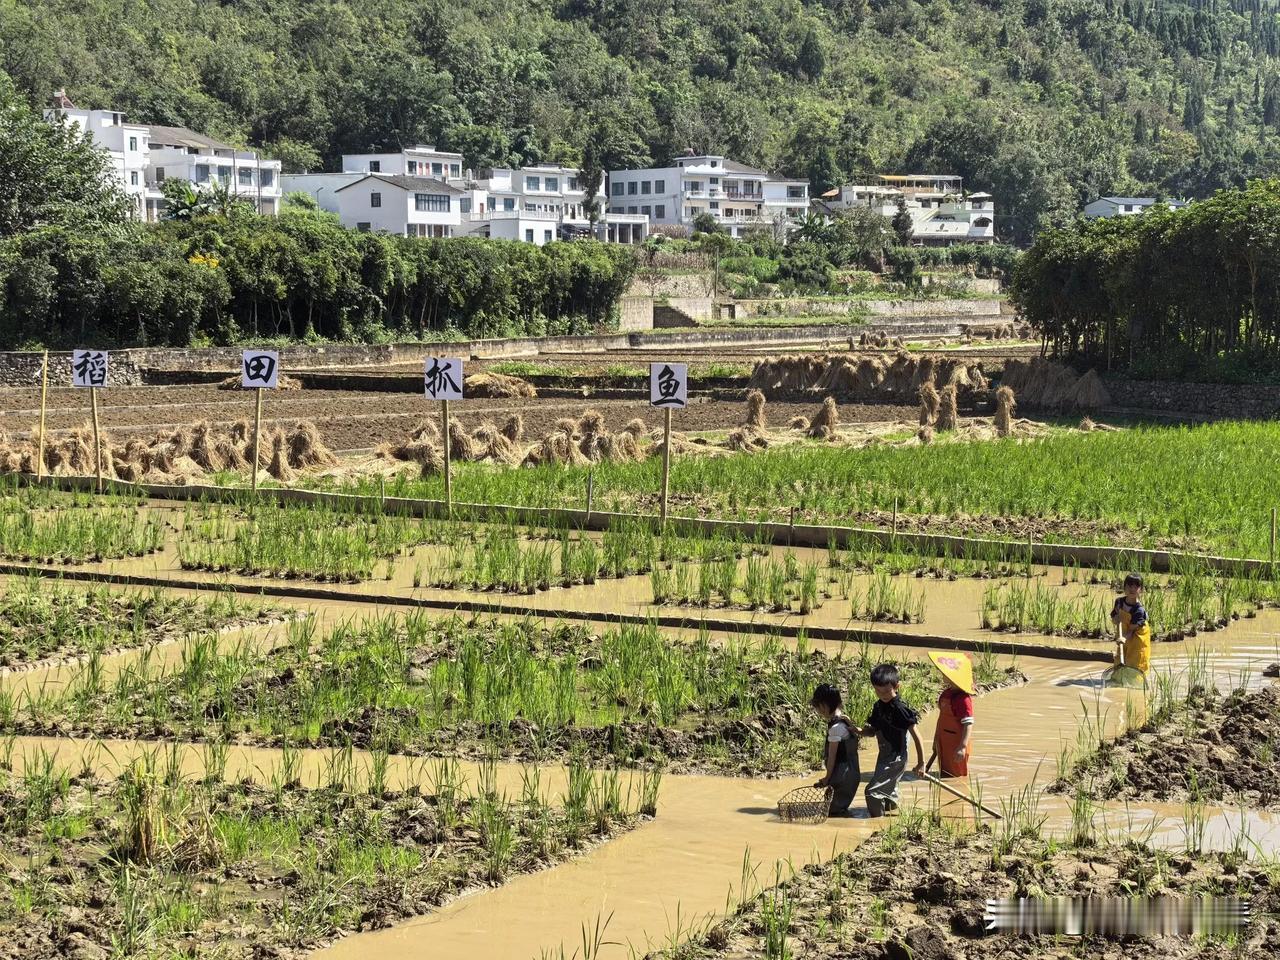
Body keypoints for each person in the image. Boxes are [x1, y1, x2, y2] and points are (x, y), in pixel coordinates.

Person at [860, 664, 924, 817]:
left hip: (896, 757)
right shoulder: (878, 706)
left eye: (886, 691)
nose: (882, 695)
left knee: (872, 792)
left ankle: (877, 824)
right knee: (887, 795)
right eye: (878, 691)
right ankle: (891, 815)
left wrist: (921, 763)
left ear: (897, 686)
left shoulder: (900, 709)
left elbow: (916, 736)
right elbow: (872, 731)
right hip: (884, 755)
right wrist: (857, 731)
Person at [810, 683, 859, 817]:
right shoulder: (845, 721)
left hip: (841, 776)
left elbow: (832, 758)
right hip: (852, 773)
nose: (818, 712)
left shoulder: (835, 728)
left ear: (824, 706)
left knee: (832, 813)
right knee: (836, 808)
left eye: (818, 708)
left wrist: (826, 778)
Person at [924, 652, 975, 778]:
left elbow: (968, 724)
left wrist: (962, 747)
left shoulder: (963, 699)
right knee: (945, 772)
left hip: (956, 743)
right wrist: (936, 739)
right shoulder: (946, 694)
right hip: (944, 740)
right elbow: (941, 719)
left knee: (956, 777)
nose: (942, 674)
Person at [1111, 574, 1152, 675]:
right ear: (1124, 587)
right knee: (1119, 661)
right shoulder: (1119, 602)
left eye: (1136, 586)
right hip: (1125, 635)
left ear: (1141, 590)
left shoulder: (1139, 610)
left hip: (1138, 638)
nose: (1132, 589)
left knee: (1135, 664)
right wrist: (1115, 619)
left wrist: (1123, 638)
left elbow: (1132, 631)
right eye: (1129, 586)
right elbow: (1114, 617)